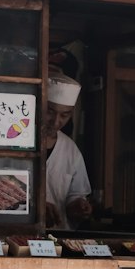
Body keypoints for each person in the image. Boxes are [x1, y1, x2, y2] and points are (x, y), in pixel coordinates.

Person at [44, 69, 93, 227]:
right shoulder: (15, 141)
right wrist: (34, 206)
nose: (56, 121)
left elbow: (76, 194)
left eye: (64, 115)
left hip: (57, 237)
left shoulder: (70, 150)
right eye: (50, 111)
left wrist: (79, 206)